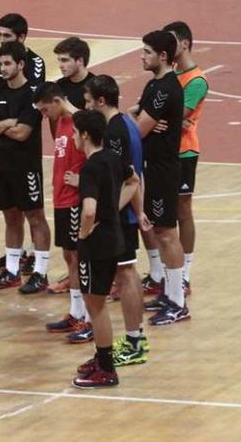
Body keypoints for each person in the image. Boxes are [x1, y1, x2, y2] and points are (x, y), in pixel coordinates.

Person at [71, 110, 143, 388]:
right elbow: (134, 180)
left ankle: (106, 367)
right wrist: (113, 207)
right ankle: (101, 357)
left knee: (96, 305)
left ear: (85, 134)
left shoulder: (90, 168)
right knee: (98, 302)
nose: (74, 137)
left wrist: (84, 232)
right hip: (115, 240)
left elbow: (88, 210)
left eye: (76, 132)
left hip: (97, 244)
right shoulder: (113, 158)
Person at [85, 74, 151, 366]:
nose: (86, 107)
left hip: (119, 217)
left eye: (88, 102)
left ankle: (135, 342)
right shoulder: (128, 123)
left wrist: (116, 212)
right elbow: (137, 174)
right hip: (126, 213)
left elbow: (125, 178)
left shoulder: (113, 132)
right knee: (127, 274)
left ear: (101, 100)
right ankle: (135, 338)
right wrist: (140, 211)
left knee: (126, 275)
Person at [0, 42, 51, 294]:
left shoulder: (33, 94)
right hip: (0, 164)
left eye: (8, 63)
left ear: (21, 65)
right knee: (10, 216)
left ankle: (41, 272)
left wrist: (2, 125)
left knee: (35, 216)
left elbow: (22, 133)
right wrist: (9, 122)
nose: (3, 68)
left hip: (26, 166)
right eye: (0, 64)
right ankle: (11, 271)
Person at [128, 30, 188, 325]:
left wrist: (136, 121)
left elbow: (138, 130)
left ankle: (178, 302)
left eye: (147, 52)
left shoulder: (165, 89)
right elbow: (137, 117)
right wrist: (137, 118)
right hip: (155, 167)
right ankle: (170, 292)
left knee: (166, 233)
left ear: (163, 56)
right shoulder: (155, 85)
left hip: (164, 169)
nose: (142, 56)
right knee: (160, 231)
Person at [33, 82, 92, 343]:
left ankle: (87, 317)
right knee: (69, 256)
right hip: (61, 199)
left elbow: (99, 158)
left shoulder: (82, 121)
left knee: (79, 257)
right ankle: (75, 312)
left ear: (56, 100)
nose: (45, 116)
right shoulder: (59, 123)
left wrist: (84, 182)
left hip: (75, 200)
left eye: (46, 110)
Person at [164, 21, 207, 293]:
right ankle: (166, 272)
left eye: (171, 42)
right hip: (163, 152)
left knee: (182, 211)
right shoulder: (170, 76)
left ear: (185, 44)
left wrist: (161, 118)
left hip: (184, 153)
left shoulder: (196, 81)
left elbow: (174, 117)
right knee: (162, 216)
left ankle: (185, 273)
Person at [54, 37, 95, 111]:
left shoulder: (95, 87)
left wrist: (67, 105)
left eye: (64, 60)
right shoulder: (59, 85)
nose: (60, 65)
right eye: (59, 60)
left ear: (80, 61)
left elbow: (97, 121)